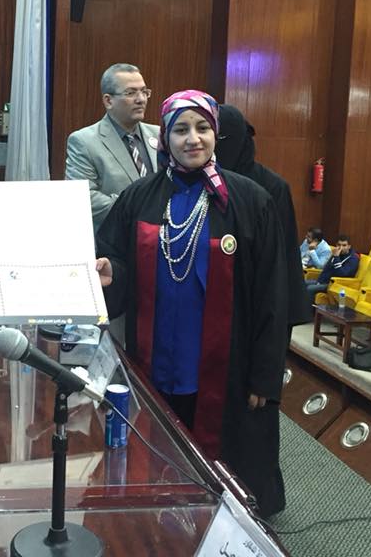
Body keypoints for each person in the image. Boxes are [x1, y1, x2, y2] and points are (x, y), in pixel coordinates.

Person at [97, 89, 287, 516]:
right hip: (154, 357)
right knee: (157, 449)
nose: (193, 138)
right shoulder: (139, 197)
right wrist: (113, 273)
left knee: (223, 471)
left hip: (226, 363)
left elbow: (272, 294)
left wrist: (265, 375)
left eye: (202, 128)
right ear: (165, 138)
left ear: (216, 134)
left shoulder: (250, 200)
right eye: (180, 129)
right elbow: (117, 261)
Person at [216, 103, 308, 328]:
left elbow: (283, 255)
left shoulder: (271, 187)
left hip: (258, 297)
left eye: (221, 139)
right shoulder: (202, 181)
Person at [66, 63, 159, 230]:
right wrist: (139, 210)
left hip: (162, 238)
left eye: (144, 91)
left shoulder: (160, 135)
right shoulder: (84, 141)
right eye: (131, 93)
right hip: (116, 239)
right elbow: (84, 197)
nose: (141, 99)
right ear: (108, 101)